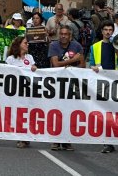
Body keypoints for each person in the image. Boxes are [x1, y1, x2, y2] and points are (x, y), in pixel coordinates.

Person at [89, 21, 118, 154]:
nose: (108, 32)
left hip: (115, 83)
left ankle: (110, 139)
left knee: (113, 112)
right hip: (101, 83)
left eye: (110, 30)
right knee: (103, 111)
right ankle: (107, 141)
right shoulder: (95, 47)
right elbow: (91, 64)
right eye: (106, 29)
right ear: (102, 31)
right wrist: (93, 67)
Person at [48, 24, 84, 152]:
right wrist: (71, 61)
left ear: (70, 36)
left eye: (66, 34)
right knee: (57, 112)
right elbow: (55, 64)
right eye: (61, 34)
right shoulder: (53, 46)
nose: (63, 36)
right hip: (57, 84)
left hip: (71, 85)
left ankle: (66, 140)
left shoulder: (77, 46)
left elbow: (82, 65)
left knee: (69, 112)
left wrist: (72, 69)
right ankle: (55, 140)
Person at [6, 36, 36, 148]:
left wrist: (34, 68)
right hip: (15, 91)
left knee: (27, 113)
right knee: (18, 114)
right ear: (19, 45)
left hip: (27, 91)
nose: (27, 45)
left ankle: (26, 136)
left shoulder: (30, 57)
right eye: (25, 43)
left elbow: (34, 69)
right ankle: (20, 137)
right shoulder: (10, 59)